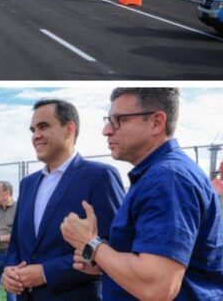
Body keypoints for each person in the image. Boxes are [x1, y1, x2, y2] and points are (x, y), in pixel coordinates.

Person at [61, 88, 223, 300]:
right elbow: (149, 266)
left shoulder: (168, 179)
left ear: (156, 122)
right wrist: (104, 262)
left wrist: (91, 243)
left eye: (119, 120)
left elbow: (157, 287)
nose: (107, 130)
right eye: (108, 120)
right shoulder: (158, 176)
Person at [3, 99, 125, 301]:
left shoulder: (99, 176)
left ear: (69, 129)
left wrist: (45, 272)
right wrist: (10, 269)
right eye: (32, 130)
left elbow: (114, 246)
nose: (36, 136)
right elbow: (17, 241)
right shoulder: (28, 184)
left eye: (43, 126)